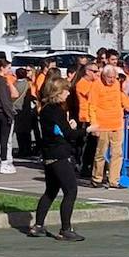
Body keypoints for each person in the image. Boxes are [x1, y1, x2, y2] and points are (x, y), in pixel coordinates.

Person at [28, 78, 87, 242]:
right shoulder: (56, 110)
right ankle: (65, 229)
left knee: (51, 191)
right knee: (71, 190)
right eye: (66, 90)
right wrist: (86, 130)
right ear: (58, 92)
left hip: (48, 154)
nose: (68, 93)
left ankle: (38, 225)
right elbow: (68, 134)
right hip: (59, 154)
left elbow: (58, 130)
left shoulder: (45, 109)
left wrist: (69, 126)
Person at [88, 65, 126, 188]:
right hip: (102, 124)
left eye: (114, 77)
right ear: (103, 76)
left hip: (117, 123)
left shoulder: (116, 84)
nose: (112, 80)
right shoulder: (96, 85)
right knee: (101, 153)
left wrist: (128, 105)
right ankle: (97, 178)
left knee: (117, 153)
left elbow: (121, 98)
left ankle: (114, 180)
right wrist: (94, 124)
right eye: (109, 77)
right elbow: (92, 106)